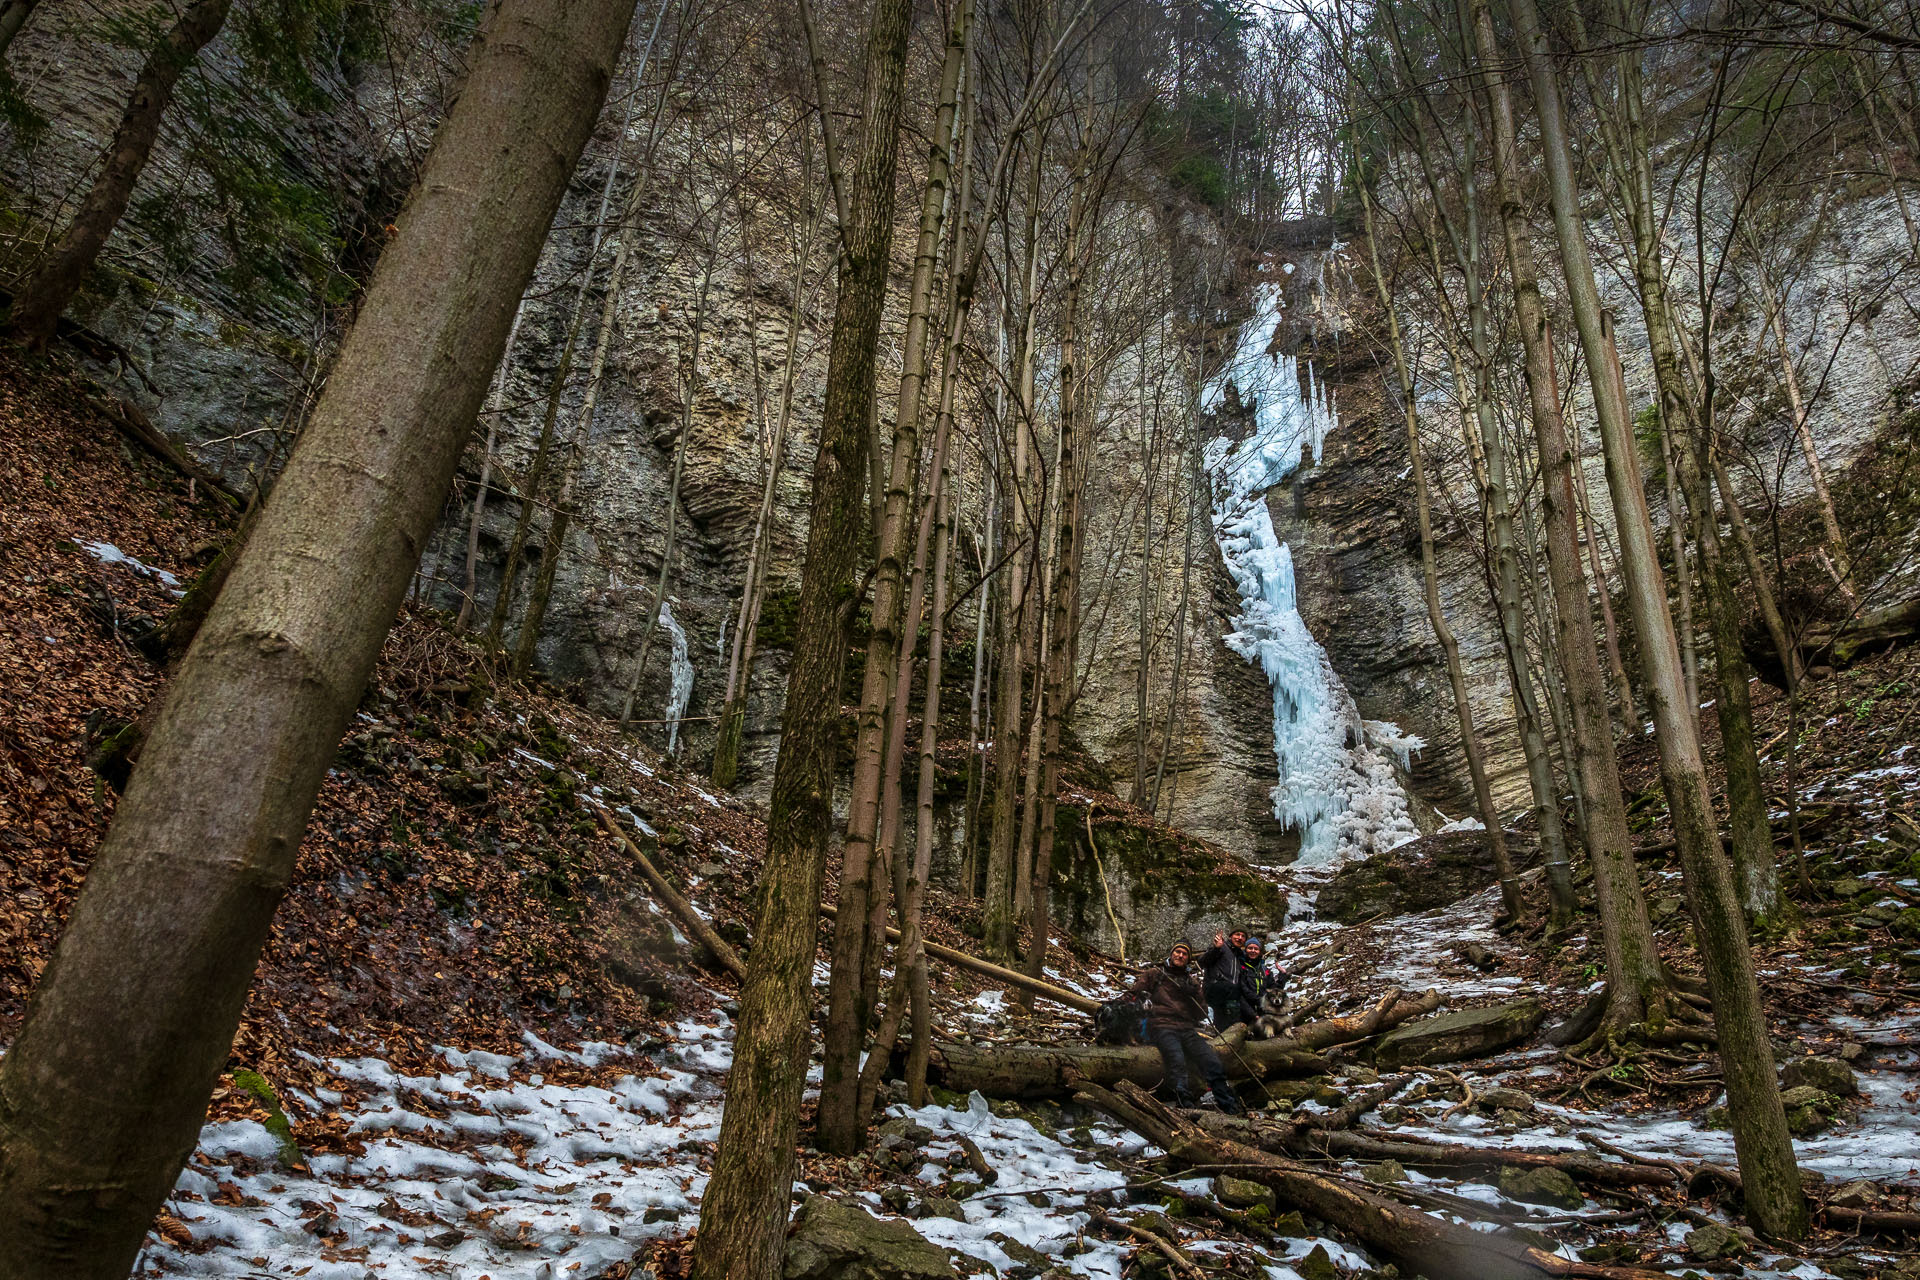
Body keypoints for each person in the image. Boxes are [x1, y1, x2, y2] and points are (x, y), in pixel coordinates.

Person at [1129, 940, 1246, 1113]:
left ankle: (1228, 1104)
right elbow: (1134, 995)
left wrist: (1193, 994)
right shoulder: (1155, 974)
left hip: (1186, 1028)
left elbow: (1201, 1014)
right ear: (1171, 953)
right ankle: (1185, 1103)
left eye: (1184, 954)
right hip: (1161, 1026)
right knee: (1176, 1060)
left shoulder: (1191, 981)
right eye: (1177, 952)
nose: (1180, 956)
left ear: (1188, 959)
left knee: (1212, 1060)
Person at [1198, 928, 1249, 1030]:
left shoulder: (1240, 955)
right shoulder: (1222, 947)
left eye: (1243, 936)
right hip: (1216, 989)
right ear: (1230, 936)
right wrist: (1216, 949)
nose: (1240, 938)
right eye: (1237, 934)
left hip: (1229, 995)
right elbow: (1203, 961)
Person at [1239, 936, 1283, 1025]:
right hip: (1245, 1013)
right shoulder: (1240, 967)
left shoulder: (1264, 970)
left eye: (1256, 949)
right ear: (1245, 950)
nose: (1253, 951)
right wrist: (1252, 1013)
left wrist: (1283, 975)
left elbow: (1274, 990)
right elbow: (1242, 992)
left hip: (1263, 1012)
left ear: (1260, 952)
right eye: (1250, 948)